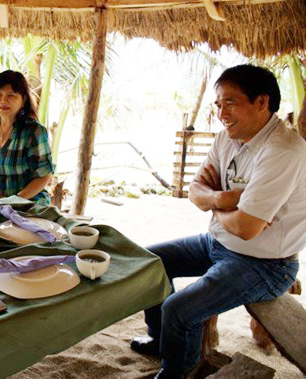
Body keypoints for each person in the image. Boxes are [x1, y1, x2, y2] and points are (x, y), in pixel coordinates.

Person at [130, 65, 306, 378]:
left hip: (265, 264)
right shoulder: (228, 138)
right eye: (218, 104)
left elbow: (247, 228)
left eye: (230, 102)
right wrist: (223, 201)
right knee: (150, 261)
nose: (221, 112)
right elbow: (194, 191)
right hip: (218, 242)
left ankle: (178, 371)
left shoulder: (283, 150)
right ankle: (161, 341)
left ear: (262, 102)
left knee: (180, 309)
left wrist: (217, 207)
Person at [0, 70, 55, 205]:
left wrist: (13, 200)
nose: (3, 100)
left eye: (11, 95)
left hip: (27, 204)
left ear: (23, 100)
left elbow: (44, 175)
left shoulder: (34, 131)